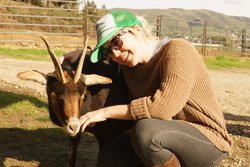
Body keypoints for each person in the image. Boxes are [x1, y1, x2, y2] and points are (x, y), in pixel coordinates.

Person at [75, 10, 232, 167]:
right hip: (164, 134)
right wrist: (78, 54)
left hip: (206, 138)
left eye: (116, 42)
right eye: (108, 50)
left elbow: (162, 108)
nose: (115, 53)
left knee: (146, 132)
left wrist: (105, 112)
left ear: (136, 30)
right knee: (109, 158)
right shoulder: (128, 63)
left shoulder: (178, 50)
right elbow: (102, 62)